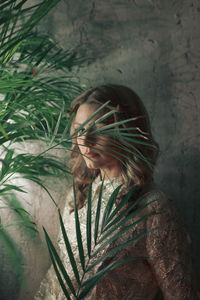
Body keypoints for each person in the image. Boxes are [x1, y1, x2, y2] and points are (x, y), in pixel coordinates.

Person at [35, 84, 199, 299]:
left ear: (128, 131)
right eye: (79, 128)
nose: (85, 141)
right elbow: (57, 278)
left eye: (100, 128)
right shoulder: (79, 194)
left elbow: (181, 294)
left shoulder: (155, 208)